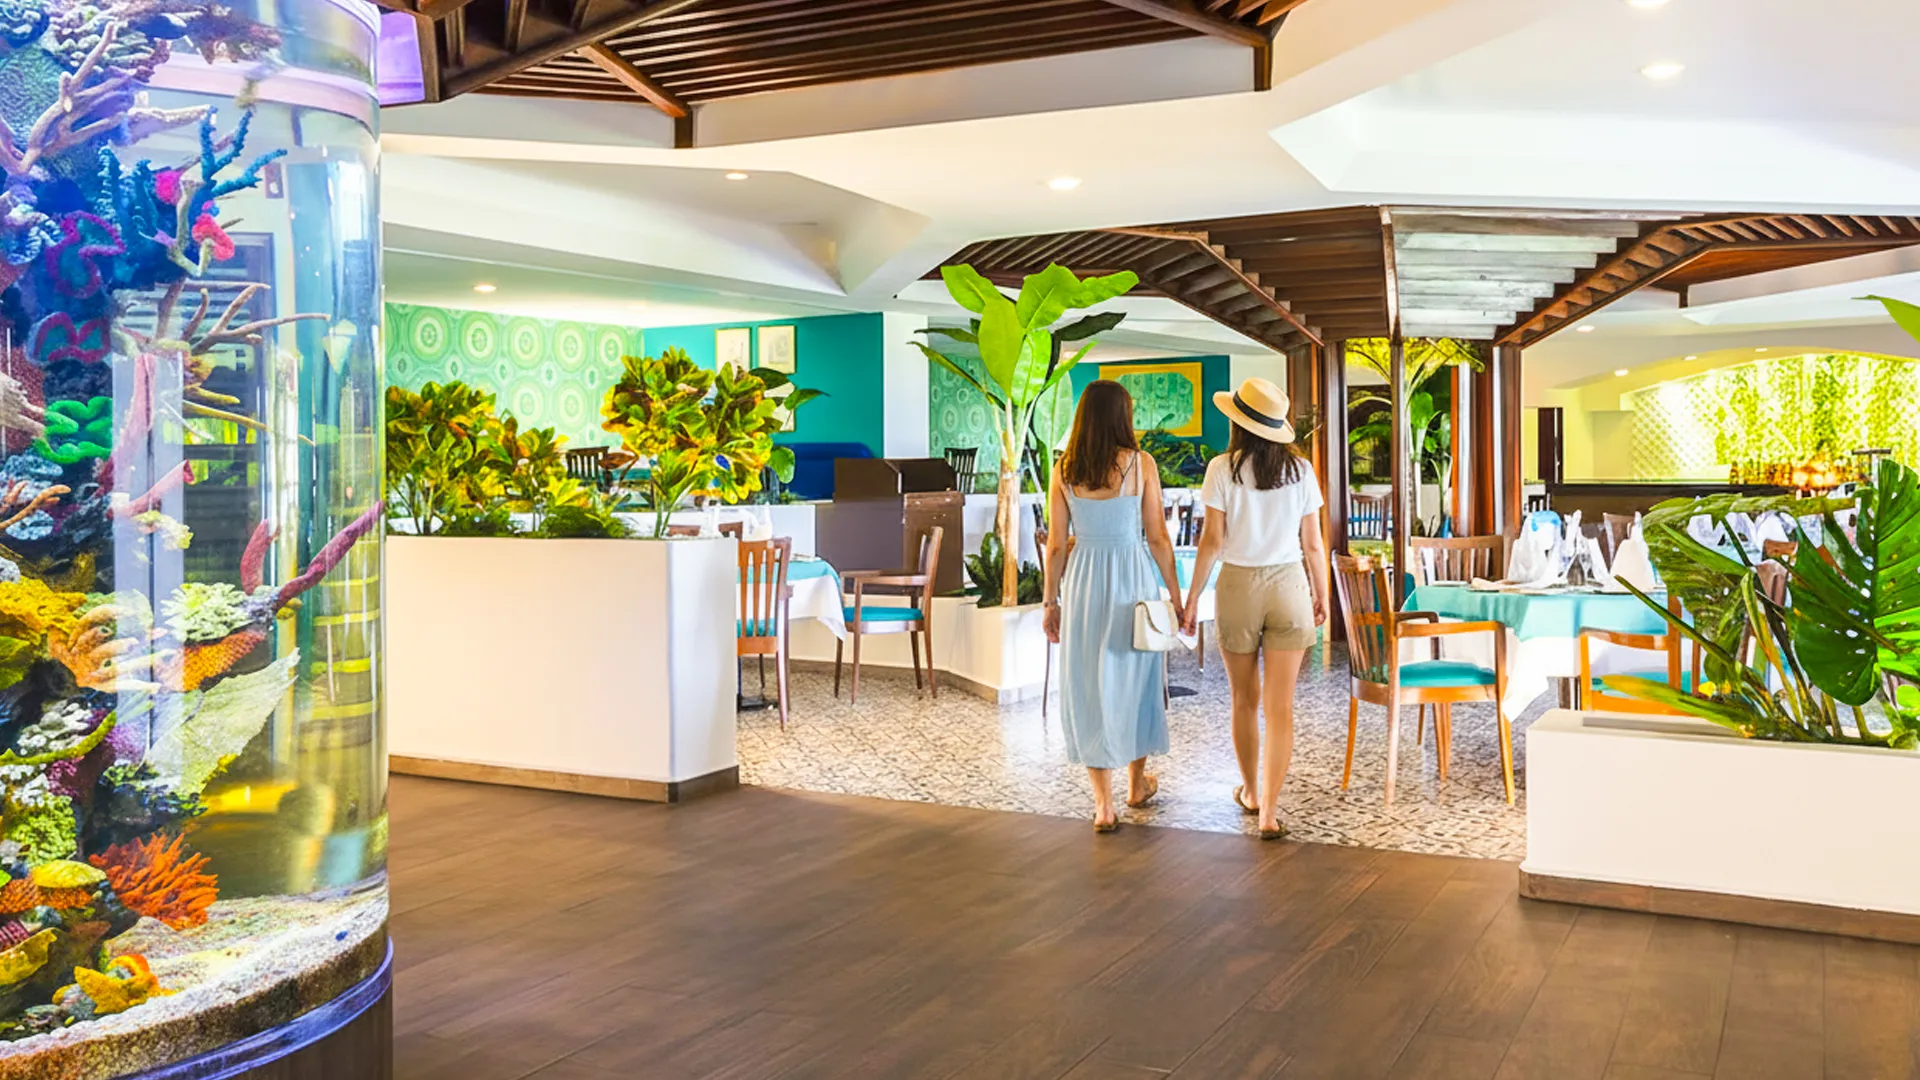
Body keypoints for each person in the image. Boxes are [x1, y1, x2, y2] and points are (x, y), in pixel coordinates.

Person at [1181, 376, 1329, 840]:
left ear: (1238, 422)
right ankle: (1269, 812)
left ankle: (1249, 791)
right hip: (1289, 586)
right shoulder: (1301, 470)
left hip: (1238, 587)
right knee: (1280, 707)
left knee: (1244, 701)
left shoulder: (1221, 469)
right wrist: (1320, 593)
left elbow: (1211, 541)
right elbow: (1312, 543)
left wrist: (1190, 599)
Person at [1042, 381, 1186, 833]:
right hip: (1131, 579)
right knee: (1137, 678)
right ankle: (1136, 783)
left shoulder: (1064, 470)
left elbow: (1055, 547)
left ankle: (1103, 805)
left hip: (1084, 581)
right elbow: (1159, 538)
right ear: (1122, 417)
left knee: (1089, 683)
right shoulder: (1142, 465)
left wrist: (1051, 600)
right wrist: (1177, 596)